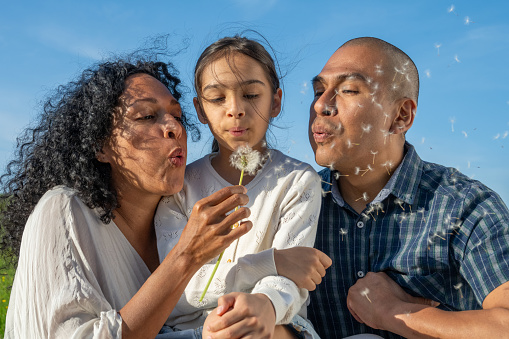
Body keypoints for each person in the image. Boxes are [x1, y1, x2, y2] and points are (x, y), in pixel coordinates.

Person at [1, 54, 254, 338]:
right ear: (100, 145)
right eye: (147, 116)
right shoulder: (63, 210)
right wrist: (186, 257)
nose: (174, 127)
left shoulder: (180, 219)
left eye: (178, 116)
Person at [306, 37, 509, 338]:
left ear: (401, 116)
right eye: (319, 91)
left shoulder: (466, 207)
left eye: (348, 90)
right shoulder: (293, 205)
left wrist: (397, 313)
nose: (321, 105)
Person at [155, 36, 331, 339]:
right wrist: (269, 262)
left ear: (275, 102)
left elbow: (290, 281)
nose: (235, 109)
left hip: (274, 325)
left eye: (250, 94)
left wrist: (262, 304)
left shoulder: (297, 181)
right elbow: (178, 293)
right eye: (217, 98)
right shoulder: (179, 188)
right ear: (199, 109)